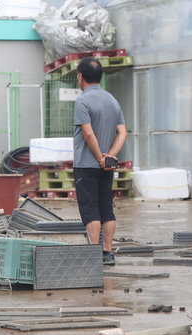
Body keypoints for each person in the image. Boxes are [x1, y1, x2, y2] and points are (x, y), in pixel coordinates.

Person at [73, 57, 128, 265]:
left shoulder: (83, 101)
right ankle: (107, 252)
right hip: (106, 168)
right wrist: (110, 157)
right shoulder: (112, 100)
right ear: (100, 76)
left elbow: (88, 133)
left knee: (90, 210)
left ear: (80, 77)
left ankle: (93, 253)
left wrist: (99, 158)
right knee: (106, 208)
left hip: (86, 165)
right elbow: (122, 132)